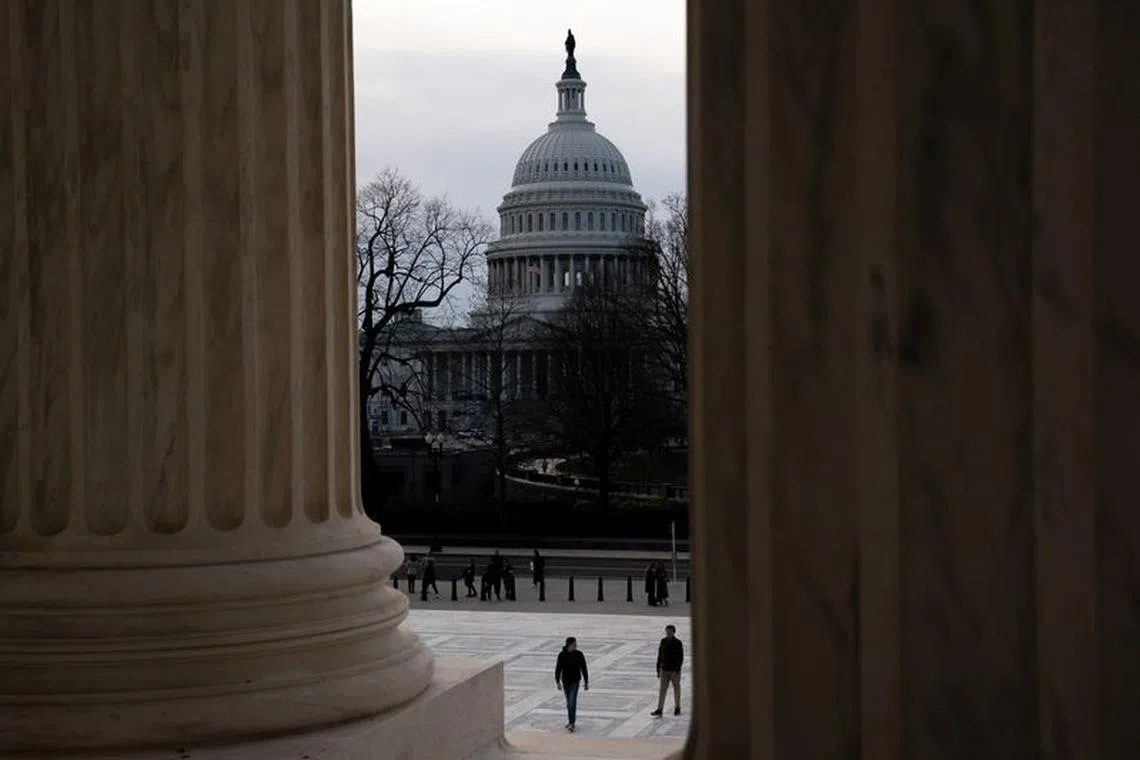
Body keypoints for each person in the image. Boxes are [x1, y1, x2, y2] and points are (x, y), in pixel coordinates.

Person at [554, 636, 589, 732]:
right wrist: (557, 682)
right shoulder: (562, 655)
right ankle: (570, 721)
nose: (576, 646)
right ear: (569, 645)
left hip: (575, 681)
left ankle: (572, 723)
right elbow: (558, 669)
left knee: (572, 701)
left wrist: (586, 681)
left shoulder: (579, 654)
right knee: (569, 703)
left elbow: (584, 668)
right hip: (565, 681)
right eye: (574, 644)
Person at [651, 624, 684, 717]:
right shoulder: (663, 641)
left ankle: (677, 707)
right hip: (664, 669)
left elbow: (680, 658)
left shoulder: (678, 643)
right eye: (667, 632)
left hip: (674, 671)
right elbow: (660, 656)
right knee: (662, 690)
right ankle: (660, 709)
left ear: (674, 632)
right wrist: (658, 669)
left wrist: (677, 669)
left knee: (676, 689)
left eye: (670, 632)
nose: (668, 633)